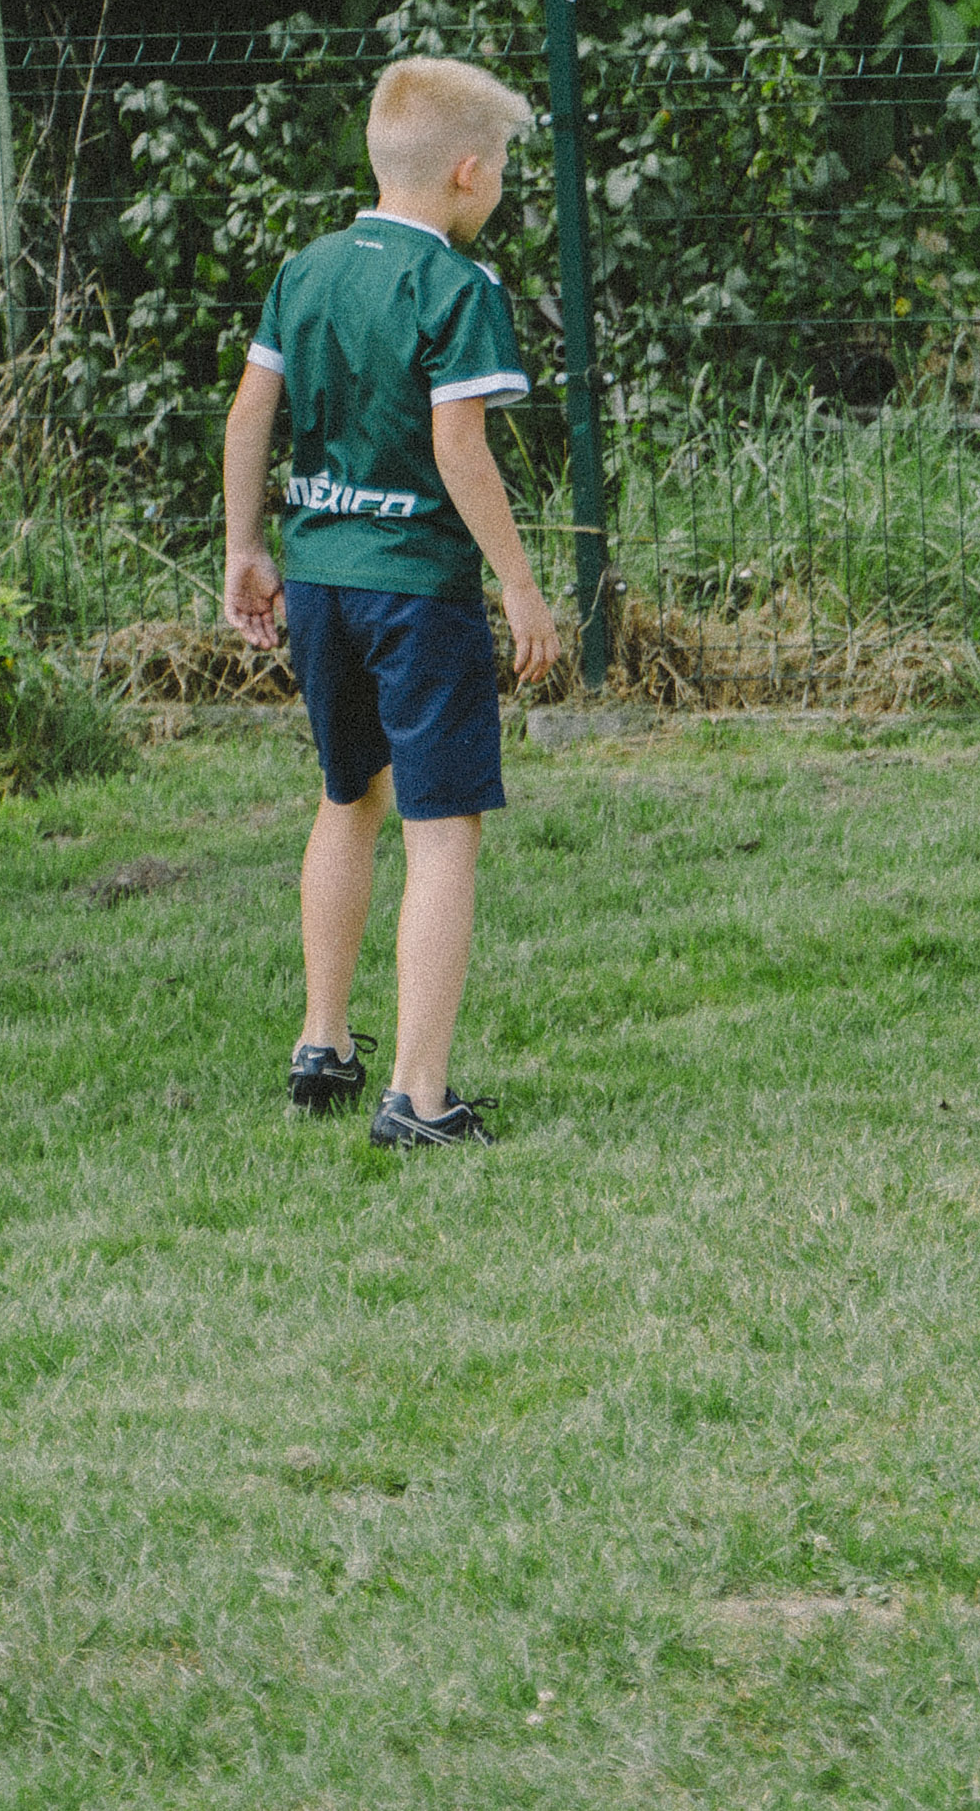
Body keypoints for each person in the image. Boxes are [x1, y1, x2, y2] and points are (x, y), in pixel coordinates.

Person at [219, 56, 566, 1150]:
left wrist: (243, 545)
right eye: (504, 163)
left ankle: (322, 1041)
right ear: (468, 171)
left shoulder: (307, 269)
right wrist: (519, 581)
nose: (504, 181)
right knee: (442, 826)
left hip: (317, 577)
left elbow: (247, 413)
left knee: (347, 797)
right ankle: (419, 1096)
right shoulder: (460, 288)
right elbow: (457, 443)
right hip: (416, 592)